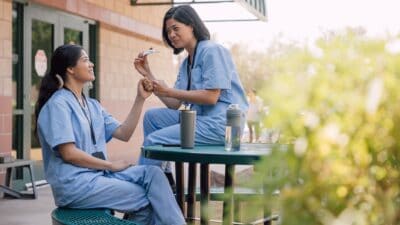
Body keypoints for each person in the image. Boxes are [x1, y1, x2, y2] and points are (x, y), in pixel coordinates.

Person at [35, 44, 185, 225]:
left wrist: (140, 98)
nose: (91, 64)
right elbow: (69, 153)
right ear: (70, 69)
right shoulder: (57, 105)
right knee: (145, 198)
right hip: (76, 185)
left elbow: (124, 132)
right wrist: (110, 165)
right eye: (85, 60)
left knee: (153, 173)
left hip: (98, 176)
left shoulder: (92, 105)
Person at [134, 5, 248, 178]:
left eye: (175, 28)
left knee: (153, 141)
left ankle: (143, 188)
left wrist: (170, 91)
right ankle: (165, 177)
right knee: (152, 117)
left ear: (192, 26)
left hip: (222, 125)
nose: (171, 35)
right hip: (200, 120)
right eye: (168, 31)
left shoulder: (212, 51)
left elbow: (211, 97)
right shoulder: (186, 63)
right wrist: (149, 74)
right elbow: (175, 104)